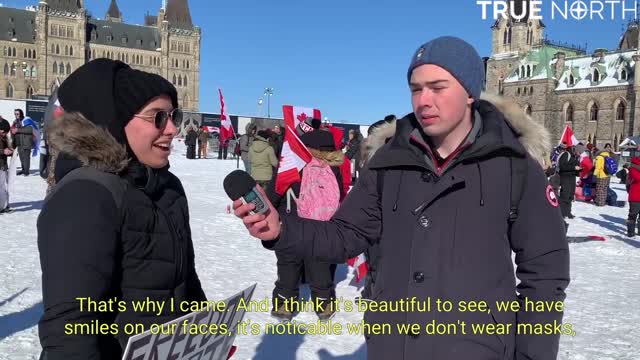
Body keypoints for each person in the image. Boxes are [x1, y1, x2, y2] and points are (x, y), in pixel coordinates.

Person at [234, 36, 569, 359]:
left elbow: (544, 274)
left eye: (437, 87)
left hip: (476, 348)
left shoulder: (514, 166)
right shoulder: (388, 161)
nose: (423, 100)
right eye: (416, 89)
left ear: (469, 93)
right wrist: (281, 229)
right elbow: (344, 235)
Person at [37, 59, 206, 359]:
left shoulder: (168, 187)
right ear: (116, 122)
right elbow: (70, 328)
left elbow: (184, 280)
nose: (172, 129)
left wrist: (206, 337)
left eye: (173, 116)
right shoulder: (86, 193)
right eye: (158, 118)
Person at [268, 128, 345, 322]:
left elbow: (274, 192)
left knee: (288, 264)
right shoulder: (333, 167)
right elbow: (339, 195)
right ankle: (324, 305)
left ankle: (285, 305)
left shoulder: (293, 165)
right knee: (320, 265)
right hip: (322, 226)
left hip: (291, 223)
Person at [557, 145, 580, 219]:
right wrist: (573, 168)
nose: (579, 153)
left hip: (572, 177)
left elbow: (574, 166)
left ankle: (568, 212)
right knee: (565, 195)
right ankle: (562, 213)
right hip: (565, 177)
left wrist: (579, 170)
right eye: (579, 151)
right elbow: (562, 166)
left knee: (570, 195)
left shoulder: (574, 156)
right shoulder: (566, 154)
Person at [11, 109, 35, 176]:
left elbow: (30, 130)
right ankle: (23, 169)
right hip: (19, 142)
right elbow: (13, 130)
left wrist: (17, 130)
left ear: (21, 113)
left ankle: (26, 171)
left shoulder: (26, 121)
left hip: (26, 142)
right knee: (21, 157)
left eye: (17, 114)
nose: (16, 115)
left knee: (26, 157)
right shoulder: (15, 122)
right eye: (15, 114)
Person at [0, 118, 13, 213]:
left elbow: (8, 149)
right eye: (4, 131)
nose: (5, 133)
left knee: (3, 186)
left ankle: (3, 206)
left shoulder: (4, 138)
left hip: (3, 165)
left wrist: (10, 151)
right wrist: (3, 151)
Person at [626, 154, 640, 236]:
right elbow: (638, 178)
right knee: (633, 215)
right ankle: (630, 232)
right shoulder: (633, 168)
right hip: (635, 196)